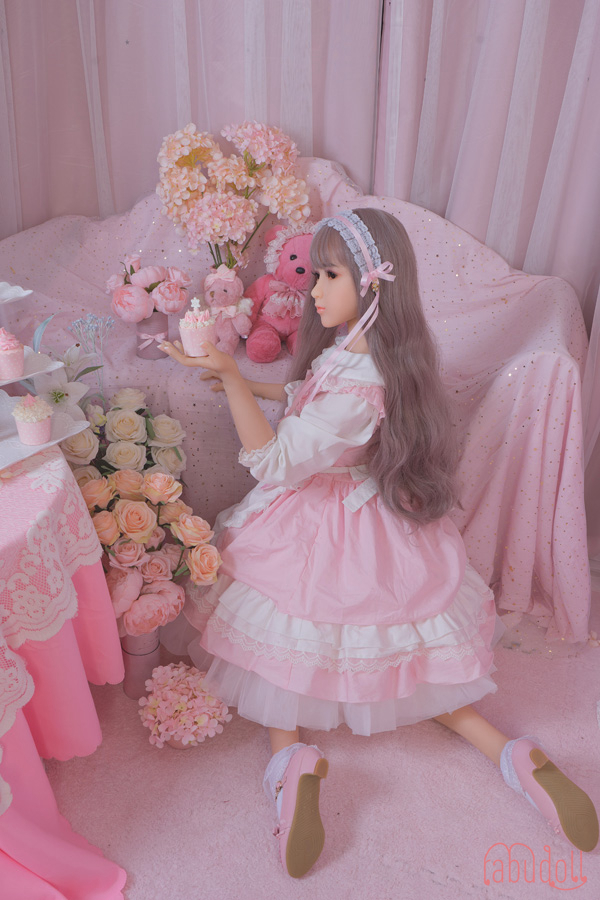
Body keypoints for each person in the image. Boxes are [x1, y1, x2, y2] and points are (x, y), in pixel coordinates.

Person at [160, 209, 598, 878]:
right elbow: (304, 392)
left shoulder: (363, 387)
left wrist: (228, 378)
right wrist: (237, 379)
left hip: (318, 521)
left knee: (283, 644)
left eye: (330, 276)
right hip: (373, 524)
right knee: (409, 667)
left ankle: (290, 761)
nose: (313, 289)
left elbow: (275, 461)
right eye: (316, 274)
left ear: (372, 284)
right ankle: (511, 753)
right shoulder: (361, 354)